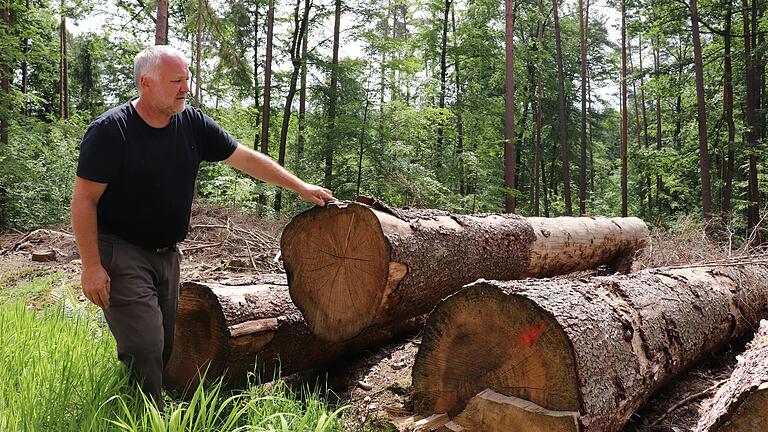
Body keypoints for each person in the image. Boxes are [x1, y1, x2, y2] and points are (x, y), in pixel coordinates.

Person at [70, 45, 334, 409]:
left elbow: (245, 158)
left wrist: (299, 186)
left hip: (167, 253)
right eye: (177, 81)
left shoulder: (191, 123)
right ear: (146, 83)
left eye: (188, 79)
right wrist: (91, 267)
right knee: (144, 344)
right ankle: (149, 414)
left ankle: (144, 399)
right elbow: (84, 200)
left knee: (163, 345)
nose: (186, 88)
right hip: (120, 249)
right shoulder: (112, 131)